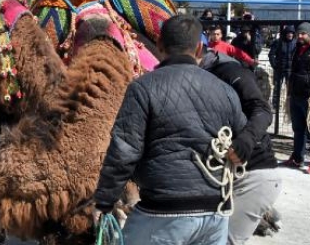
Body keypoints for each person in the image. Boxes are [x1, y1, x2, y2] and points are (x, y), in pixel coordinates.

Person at [94, 14, 246, 245]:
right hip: (215, 214)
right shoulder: (225, 90)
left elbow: (124, 151)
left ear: (160, 46)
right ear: (199, 49)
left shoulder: (142, 89)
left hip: (162, 213)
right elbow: (244, 144)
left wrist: (104, 201)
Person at [200, 49, 281, 244]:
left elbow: (262, 109)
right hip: (218, 177)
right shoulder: (191, 76)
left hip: (251, 171)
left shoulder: (229, 72)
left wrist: (246, 140)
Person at [282, 22, 310, 174]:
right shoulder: (297, 49)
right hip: (296, 95)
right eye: (298, 33)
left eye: (303, 34)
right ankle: (297, 158)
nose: (299, 36)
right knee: (298, 129)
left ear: (309, 34)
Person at [268, 25, 296, 109]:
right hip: (279, 68)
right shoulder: (278, 42)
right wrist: (275, 65)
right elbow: (271, 54)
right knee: (277, 88)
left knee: (290, 88)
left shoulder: (295, 43)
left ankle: (290, 105)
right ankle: (275, 106)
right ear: (285, 34)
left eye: (291, 33)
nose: (290, 35)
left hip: (291, 69)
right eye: (288, 33)